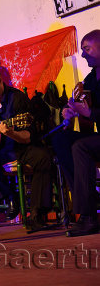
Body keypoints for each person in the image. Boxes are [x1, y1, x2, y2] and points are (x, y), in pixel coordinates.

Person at [0, 65, 53, 232]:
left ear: (0, 80)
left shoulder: (17, 99)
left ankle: (36, 215)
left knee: (44, 157)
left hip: (19, 147)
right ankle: (7, 197)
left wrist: (11, 133)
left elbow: (28, 135)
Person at [51, 29, 100, 237]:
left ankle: (88, 216)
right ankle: (88, 198)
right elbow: (84, 113)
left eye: (87, 49)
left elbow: (91, 112)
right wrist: (71, 112)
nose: (83, 55)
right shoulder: (90, 79)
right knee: (61, 138)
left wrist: (89, 111)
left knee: (81, 147)